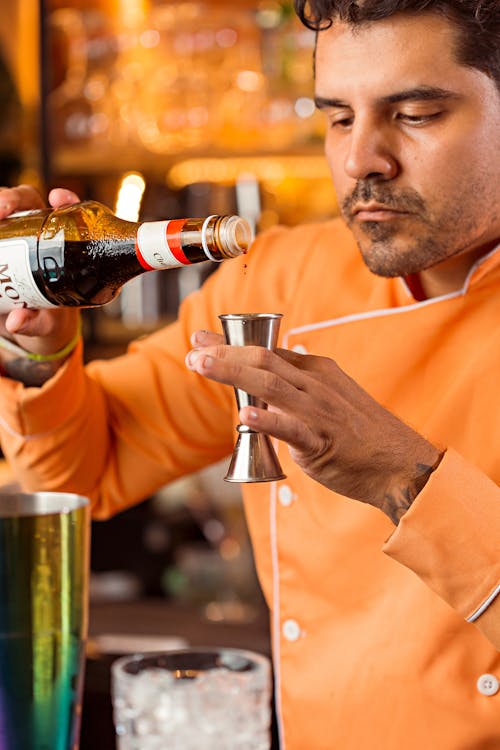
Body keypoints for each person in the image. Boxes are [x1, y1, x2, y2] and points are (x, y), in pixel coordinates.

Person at [0, 1, 499, 747]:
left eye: (417, 114)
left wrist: (407, 477)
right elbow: (80, 470)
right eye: (337, 118)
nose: (364, 159)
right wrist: (38, 345)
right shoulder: (280, 279)